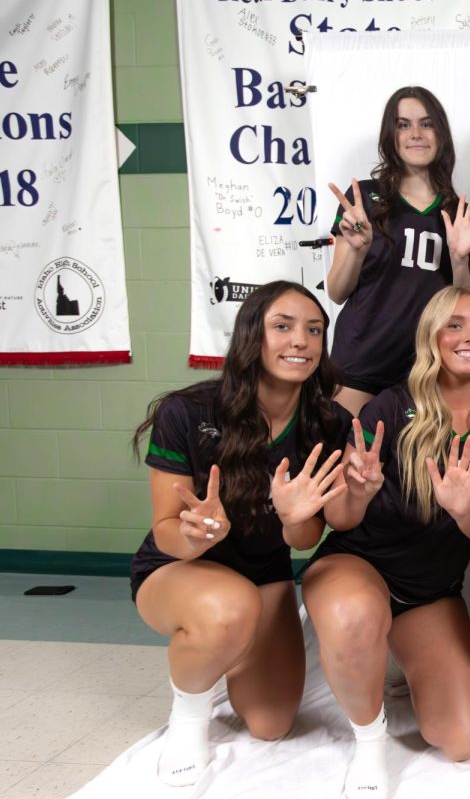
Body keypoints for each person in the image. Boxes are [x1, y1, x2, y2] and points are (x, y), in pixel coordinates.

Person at [130, 281, 354, 786]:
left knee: (271, 724)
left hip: (264, 573)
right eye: (283, 327)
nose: (301, 341)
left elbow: (303, 542)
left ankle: (226, 645)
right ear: (252, 335)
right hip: (178, 567)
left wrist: (295, 515)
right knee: (230, 608)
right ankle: (188, 715)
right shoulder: (187, 412)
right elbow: (167, 531)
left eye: (313, 330)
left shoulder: (329, 423)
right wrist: (201, 534)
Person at [303, 286, 470, 798]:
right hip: (359, 563)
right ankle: (369, 739)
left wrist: (465, 511)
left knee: (463, 739)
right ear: (431, 337)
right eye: (455, 324)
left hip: (429, 591)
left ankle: (397, 649)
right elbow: (340, 521)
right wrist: (359, 491)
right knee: (353, 615)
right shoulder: (391, 407)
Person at [325, 86, 470, 416]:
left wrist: (459, 260)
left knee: (414, 466)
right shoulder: (364, 199)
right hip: (361, 361)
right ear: (391, 136)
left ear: (441, 134)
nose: (416, 134)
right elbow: (337, 292)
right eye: (403, 125)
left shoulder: (459, 211)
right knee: (347, 462)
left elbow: (466, 304)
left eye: (426, 124)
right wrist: (356, 251)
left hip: (426, 370)